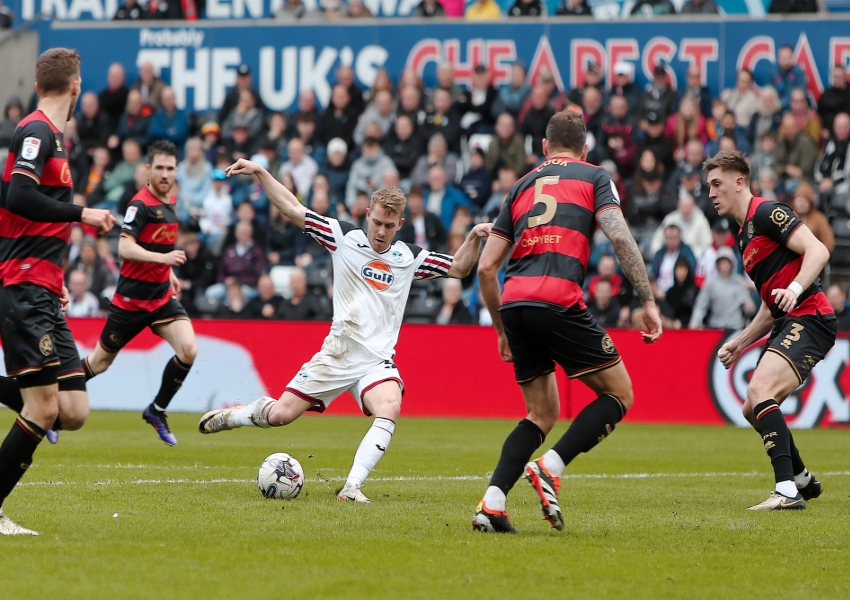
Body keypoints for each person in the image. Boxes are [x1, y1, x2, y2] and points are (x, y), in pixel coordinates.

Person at [198, 158, 491, 505]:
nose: (380, 231)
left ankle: (351, 487)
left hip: (375, 361)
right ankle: (236, 416)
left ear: (400, 224)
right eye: (377, 222)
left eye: (389, 226)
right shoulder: (343, 237)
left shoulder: (409, 258)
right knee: (280, 415)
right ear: (368, 213)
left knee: (390, 406)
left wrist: (473, 236)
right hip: (338, 352)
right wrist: (261, 172)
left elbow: (458, 267)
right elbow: (293, 208)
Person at [472, 110, 662, 533]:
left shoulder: (520, 185)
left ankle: (492, 503)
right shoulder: (596, 176)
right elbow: (619, 237)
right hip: (558, 298)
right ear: (585, 147)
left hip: (516, 302)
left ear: (543, 147)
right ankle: (550, 468)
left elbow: (486, 269)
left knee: (540, 413)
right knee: (620, 394)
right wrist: (647, 300)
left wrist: (502, 329)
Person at [0, 48, 115, 536]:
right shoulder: (36, 132)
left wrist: (54, 271)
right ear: (75, 87)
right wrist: (81, 213)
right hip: (25, 286)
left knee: (72, 410)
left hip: (42, 284)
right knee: (43, 408)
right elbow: (18, 196)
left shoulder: (54, 139)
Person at [706, 150, 834, 510]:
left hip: (811, 315)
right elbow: (769, 305)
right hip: (789, 319)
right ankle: (801, 478)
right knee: (751, 408)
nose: (712, 193)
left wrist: (794, 290)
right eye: (709, 186)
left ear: (739, 181)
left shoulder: (766, 212)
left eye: (717, 184)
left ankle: (786, 492)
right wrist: (741, 341)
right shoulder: (743, 236)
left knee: (760, 388)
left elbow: (818, 250)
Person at [80, 141, 196, 447]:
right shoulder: (139, 205)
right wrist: (166, 261)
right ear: (148, 169)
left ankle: (156, 410)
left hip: (159, 298)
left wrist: (168, 273)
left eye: (171, 168)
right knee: (98, 363)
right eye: (159, 168)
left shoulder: (170, 200)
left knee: (188, 349)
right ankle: (50, 406)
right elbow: (125, 247)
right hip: (130, 303)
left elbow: (158, 243)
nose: (165, 174)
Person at [688, 247, 755, 329]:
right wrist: (695, 322)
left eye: (727, 262)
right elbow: (701, 305)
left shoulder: (739, 282)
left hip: (735, 328)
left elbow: (748, 308)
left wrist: (749, 308)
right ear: (717, 264)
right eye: (722, 262)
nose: (725, 265)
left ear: (732, 264)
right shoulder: (711, 283)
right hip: (716, 327)